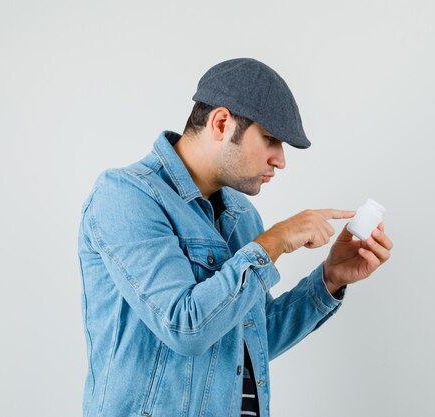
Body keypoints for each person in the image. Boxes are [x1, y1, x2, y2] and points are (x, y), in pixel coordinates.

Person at [77, 58, 393, 417]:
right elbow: (185, 326)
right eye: (271, 139)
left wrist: (330, 279)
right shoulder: (126, 196)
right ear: (222, 123)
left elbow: (248, 338)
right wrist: (274, 241)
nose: (281, 160)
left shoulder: (242, 215)